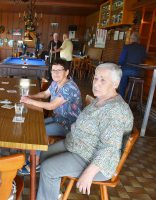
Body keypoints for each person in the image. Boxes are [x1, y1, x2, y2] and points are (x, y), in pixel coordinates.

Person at [36, 63, 134, 200]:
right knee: (44, 154)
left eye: (103, 80)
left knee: (48, 168)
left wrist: (89, 173)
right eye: (95, 78)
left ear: (115, 83)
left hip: (93, 159)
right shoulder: (100, 100)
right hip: (77, 145)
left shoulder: (116, 110)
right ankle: (52, 192)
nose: (96, 84)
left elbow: (110, 148)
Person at [19, 59, 82, 174]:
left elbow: (51, 106)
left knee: (38, 132)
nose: (56, 73)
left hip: (68, 125)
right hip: (58, 119)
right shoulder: (56, 83)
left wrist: (30, 101)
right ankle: (32, 158)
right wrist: (30, 97)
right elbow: (44, 94)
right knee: (34, 127)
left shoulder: (69, 87)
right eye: (53, 70)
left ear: (67, 72)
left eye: (59, 70)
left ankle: (35, 163)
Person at [118, 32, 147, 98]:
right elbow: (144, 59)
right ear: (138, 39)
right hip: (138, 72)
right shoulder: (142, 48)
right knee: (131, 81)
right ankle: (129, 97)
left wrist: (120, 65)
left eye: (130, 38)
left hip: (126, 70)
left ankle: (121, 98)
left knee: (123, 77)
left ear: (131, 39)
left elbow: (121, 60)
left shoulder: (126, 47)